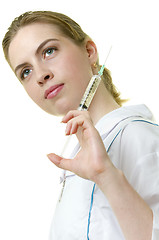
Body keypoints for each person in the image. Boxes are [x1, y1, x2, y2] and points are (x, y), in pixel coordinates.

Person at [2, 11, 159, 240]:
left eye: (49, 51)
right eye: (26, 71)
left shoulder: (138, 136)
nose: (40, 76)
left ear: (89, 51)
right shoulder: (77, 159)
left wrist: (107, 176)